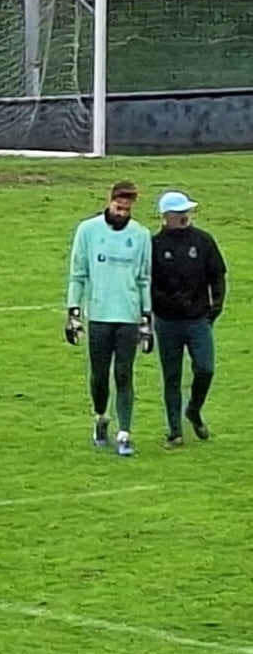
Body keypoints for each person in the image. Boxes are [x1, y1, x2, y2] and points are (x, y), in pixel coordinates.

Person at [66, 181, 153, 457]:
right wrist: (73, 312)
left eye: (127, 209)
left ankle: (125, 433)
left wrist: (146, 319)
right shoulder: (88, 231)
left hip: (127, 317)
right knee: (100, 376)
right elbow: (78, 274)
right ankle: (101, 417)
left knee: (124, 374)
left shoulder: (141, 235)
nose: (122, 214)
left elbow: (143, 279)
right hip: (100, 316)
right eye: (118, 207)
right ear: (110, 201)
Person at [151, 190, 227, 446]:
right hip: (167, 321)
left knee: (205, 368)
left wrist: (216, 305)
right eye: (179, 213)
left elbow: (217, 274)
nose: (185, 217)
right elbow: (149, 284)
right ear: (166, 217)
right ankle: (174, 431)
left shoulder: (203, 241)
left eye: (187, 212)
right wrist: (164, 302)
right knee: (171, 375)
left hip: (198, 320)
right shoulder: (155, 246)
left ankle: (193, 409)